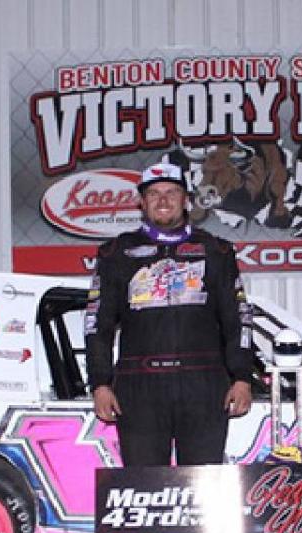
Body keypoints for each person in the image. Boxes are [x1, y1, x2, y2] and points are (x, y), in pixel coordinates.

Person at [85, 162, 255, 466]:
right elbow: (98, 324)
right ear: (142, 202)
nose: (163, 200)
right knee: (144, 487)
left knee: (203, 486)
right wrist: (100, 383)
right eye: (154, 194)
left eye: (172, 192)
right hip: (139, 387)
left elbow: (236, 319)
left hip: (204, 385)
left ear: (186, 199)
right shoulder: (116, 253)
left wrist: (242, 378)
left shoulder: (216, 251)